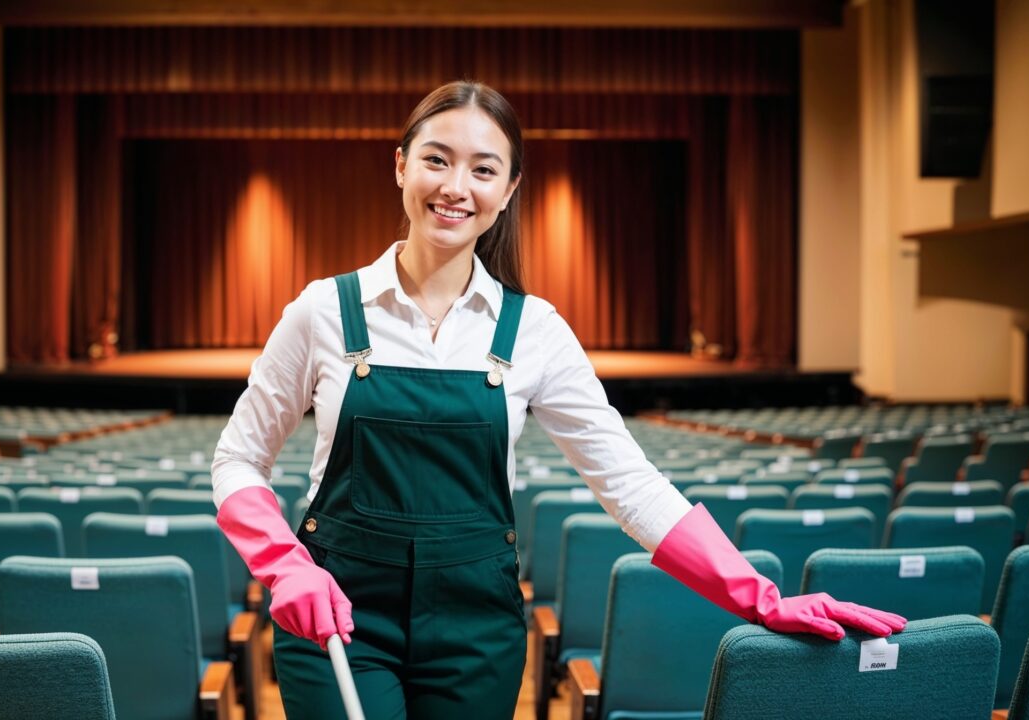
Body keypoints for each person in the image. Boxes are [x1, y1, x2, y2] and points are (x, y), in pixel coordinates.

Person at [212, 80, 906, 719]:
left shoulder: (535, 330)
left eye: (483, 169)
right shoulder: (323, 311)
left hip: (475, 632)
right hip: (336, 618)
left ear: (509, 188)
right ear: (400, 165)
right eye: (436, 160)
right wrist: (285, 567)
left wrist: (760, 598)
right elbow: (238, 459)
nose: (455, 187)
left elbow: (630, 486)